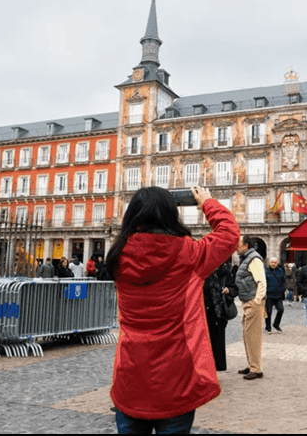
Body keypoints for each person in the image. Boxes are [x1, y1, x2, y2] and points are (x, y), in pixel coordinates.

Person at [107, 186, 239, 433]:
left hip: (131, 376)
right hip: (177, 378)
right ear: (171, 215)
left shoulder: (117, 256)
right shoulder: (188, 253)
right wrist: (208, 203)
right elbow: (229, 234)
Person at [236, 235, 267, 380]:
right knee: (248, 335)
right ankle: (251, 365)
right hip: (248, 301)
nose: (236, 247)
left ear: (246, 245)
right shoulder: (248, 258)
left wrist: (256, 301)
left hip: (253, 302)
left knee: (253, 336)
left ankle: (256, 368)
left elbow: (261, 282)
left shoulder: (254, 259)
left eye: (239, 244)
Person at [203, 259, 238, 371]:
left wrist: (229, 290)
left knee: (219, 339)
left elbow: (235, 289)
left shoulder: (225, 272)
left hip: (220, 311)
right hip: (205, 310)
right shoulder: (204, 272)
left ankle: (218, 365)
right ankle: (207, 366)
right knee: (206, 340)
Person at [264, 257, 286, 333]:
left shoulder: (280, 271)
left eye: (275, 262)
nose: (274, 264)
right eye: (272, 262)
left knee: (281, 309)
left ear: (277, 263)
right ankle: (268, 327)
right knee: (268, 312)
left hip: (278, 294)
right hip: (269, 295)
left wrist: (283, 288)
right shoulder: (265, 271)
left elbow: (284, 281)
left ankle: (276, 324)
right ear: (269, 263)